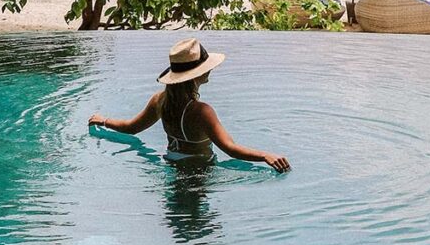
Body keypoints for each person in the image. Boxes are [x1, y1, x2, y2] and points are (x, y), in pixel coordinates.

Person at [88, 38, 291, 172]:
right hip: (199, 173)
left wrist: (104, 121)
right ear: (197, 74)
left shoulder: (159, 100)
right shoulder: (202, 111)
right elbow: (230, 148)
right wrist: (266, 155)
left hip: (171, 166)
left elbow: (131, 128)